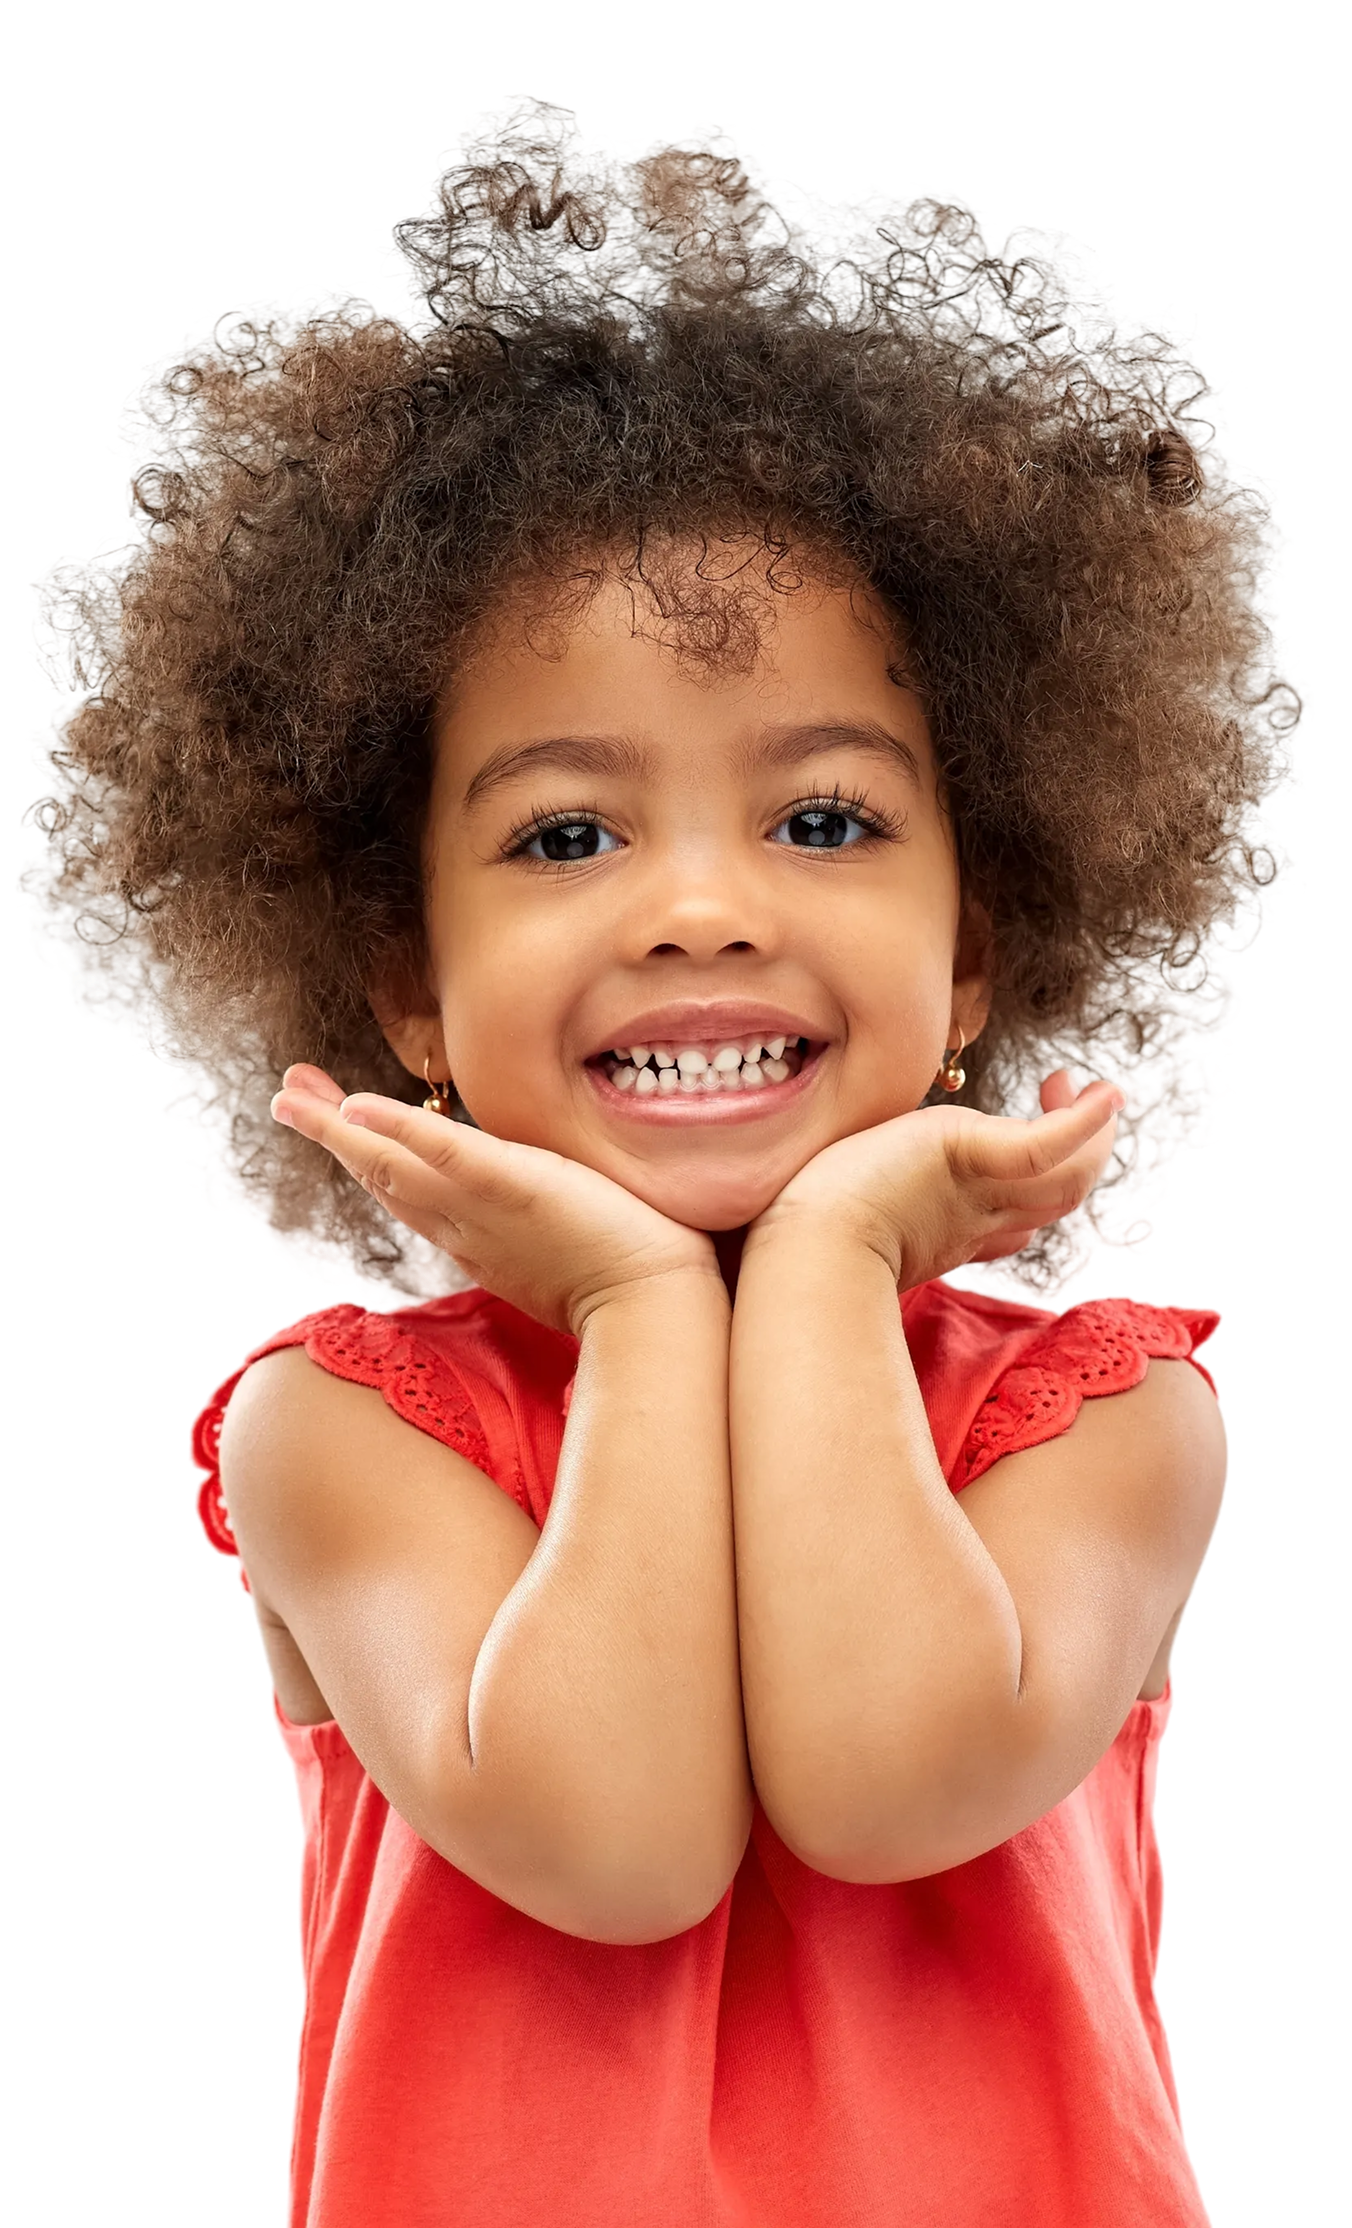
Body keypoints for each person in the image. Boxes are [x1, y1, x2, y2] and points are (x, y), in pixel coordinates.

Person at [25, 100, 1302, 2227]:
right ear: (406, 984)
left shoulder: (1102, 1423)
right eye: (563, 833)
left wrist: (820, 1268)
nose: (698, 907)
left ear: (973, 934)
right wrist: (634, 1308)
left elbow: (891, 1785)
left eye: (820, 819)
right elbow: (614, 1850)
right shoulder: (338, 1435)